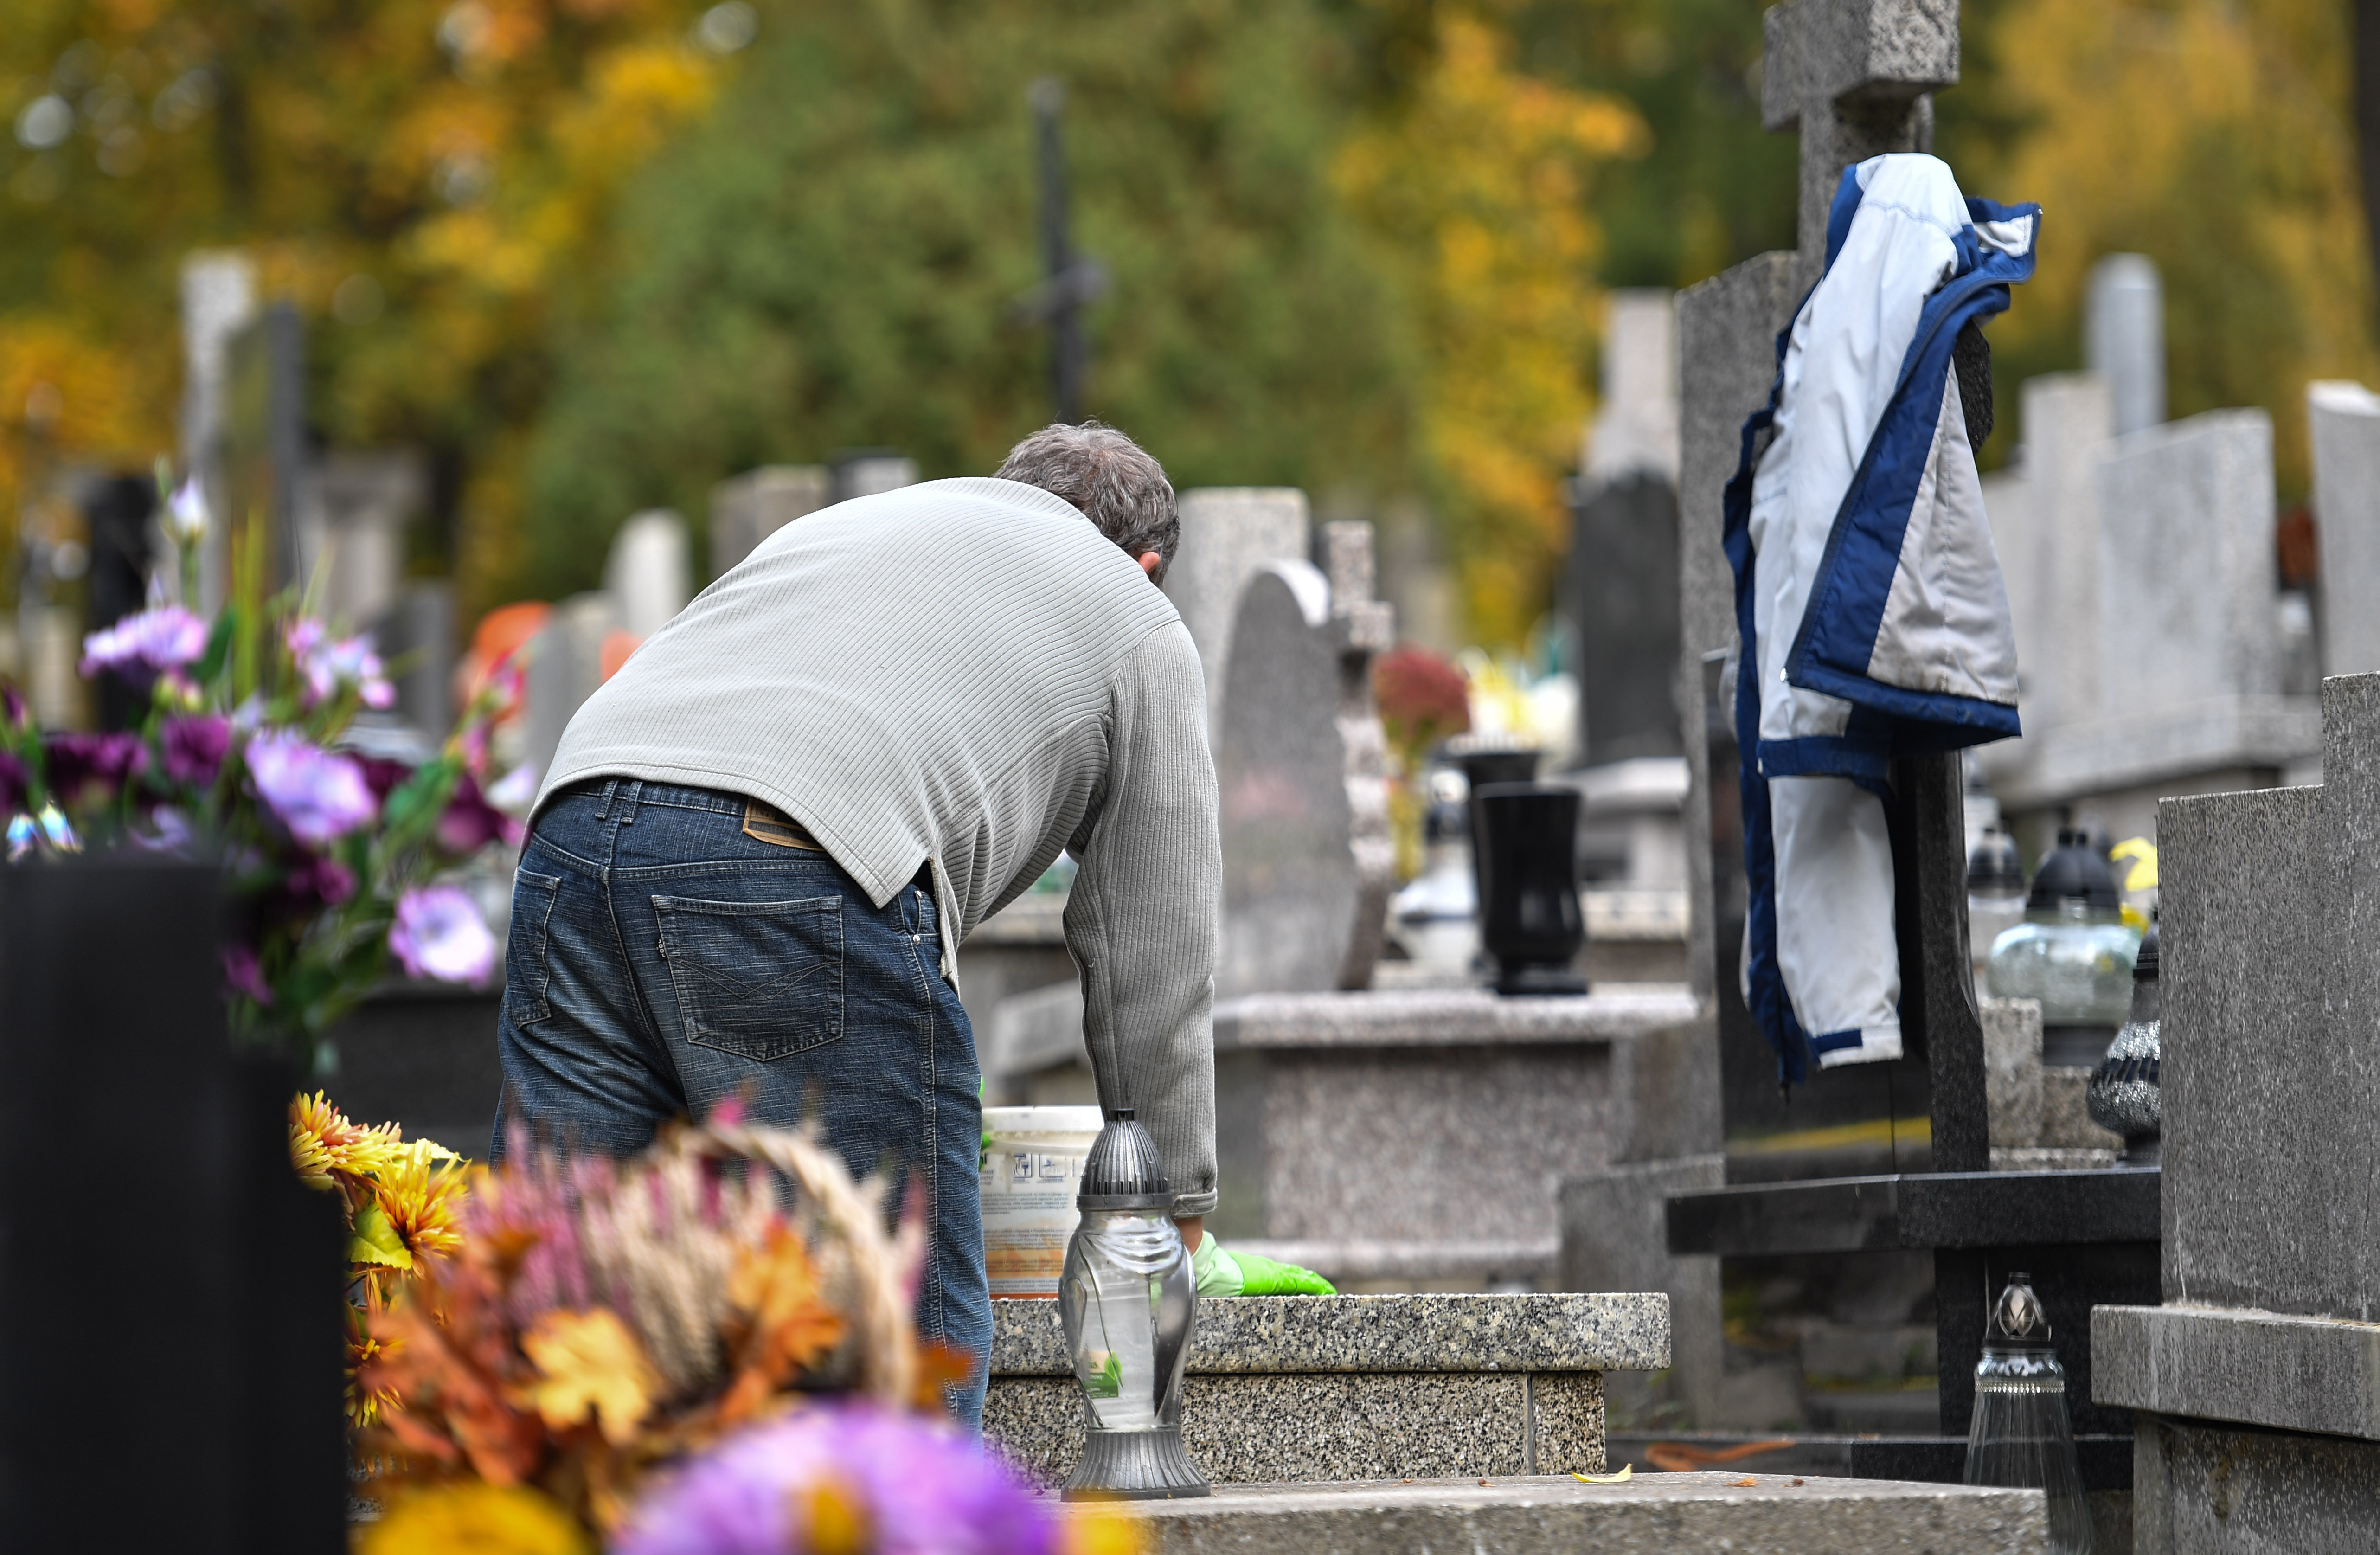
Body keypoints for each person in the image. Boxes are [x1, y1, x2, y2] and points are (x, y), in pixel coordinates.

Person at [494, 423, 1218, 1430]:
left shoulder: (861, 523)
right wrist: (1169, 1204)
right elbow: (1154, 945)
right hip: (787, 854)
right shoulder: (1134, 615)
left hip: (573, 825)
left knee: (577, 1309)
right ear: (1145, 566)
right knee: (882, 1340)